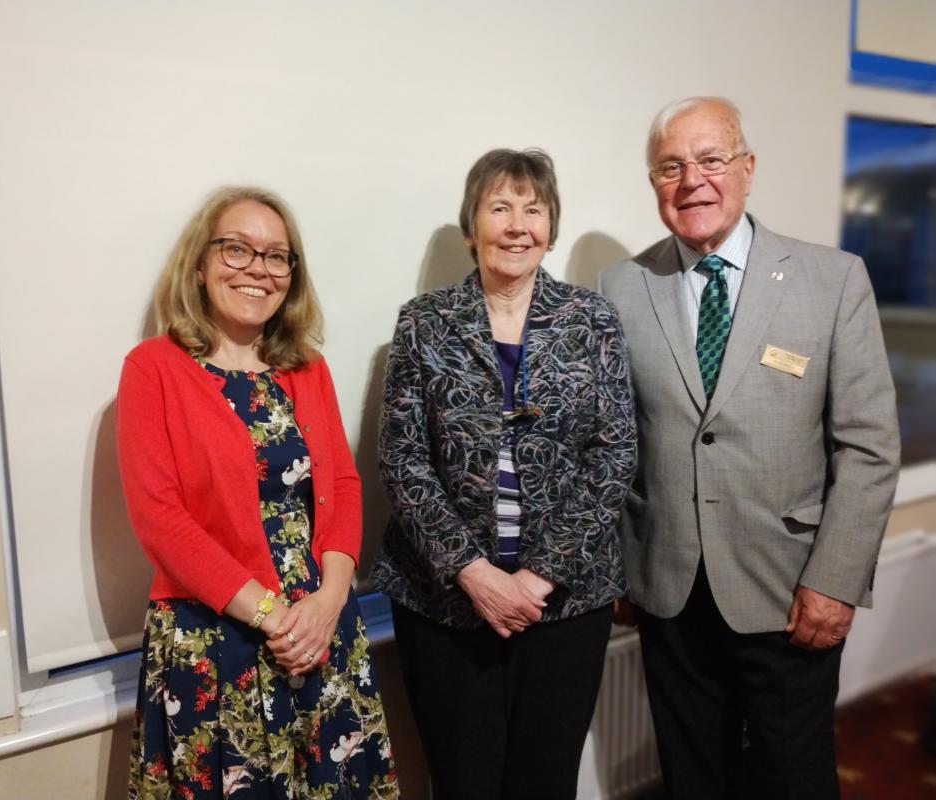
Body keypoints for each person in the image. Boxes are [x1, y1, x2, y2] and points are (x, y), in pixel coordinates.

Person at [598, 97, 901, 799]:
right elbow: (610, 441)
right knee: (691, 773)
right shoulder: (620, 287)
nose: (691, 181)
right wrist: (617, 565)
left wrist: (834, 579)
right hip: (668, 591)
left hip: (790, 589)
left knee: (791, 775)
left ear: (747, 168)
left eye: (710, 159)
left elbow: (868, 446)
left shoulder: (833, 280)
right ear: (653, 185)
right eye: (669, 167)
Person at [372, 148, 636, 800]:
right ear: (471, 227)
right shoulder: (422, 323)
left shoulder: (591, 320)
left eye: (533, 208)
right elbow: (402, 459)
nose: (517, 224)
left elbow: (614, 453)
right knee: (462, 782)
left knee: (543, 782)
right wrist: (475, 573)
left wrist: (539, 575)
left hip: (566, 602)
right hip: (443, 604)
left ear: (550, 226)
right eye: (499, 208)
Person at [117, 186, 397, 799]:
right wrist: (274, 618)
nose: (257, 269)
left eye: (276, 256)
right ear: (200, 261)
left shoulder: (306, 365)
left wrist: (327, 604)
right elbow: (160, 519)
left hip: (321, 634)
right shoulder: (153, 369)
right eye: (237, 249)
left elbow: (343, 487)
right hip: (217, 642)